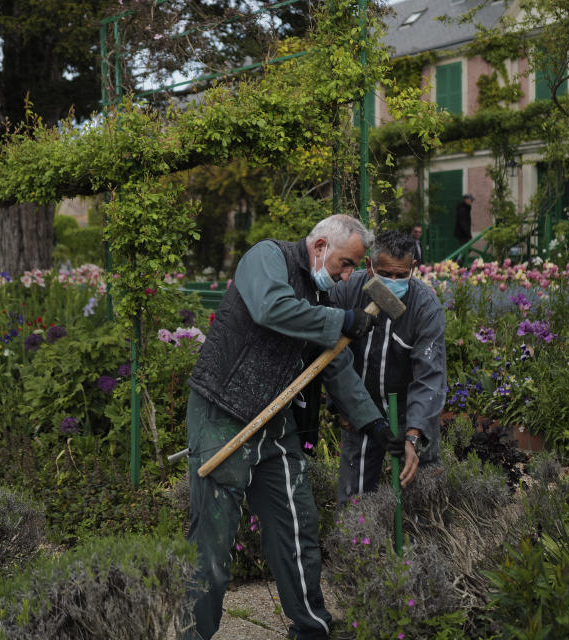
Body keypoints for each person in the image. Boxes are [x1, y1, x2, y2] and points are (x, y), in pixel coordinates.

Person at [184, 214, 408, 640]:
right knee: (212, 541)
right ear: (320, 245)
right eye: (345, 263)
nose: (346, 274)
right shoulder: (267, 257)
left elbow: (336, 365)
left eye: (352, 268)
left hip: (273, 421)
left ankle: (312, 627)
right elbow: (270, 307)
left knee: (296, 524)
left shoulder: (321, 300)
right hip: (221, 413)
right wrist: (340, 321)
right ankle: (194, 634)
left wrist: (375, 425)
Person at [329, 229, 447, 503]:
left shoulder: (425, 307)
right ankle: (358, 544)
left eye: (400, 275)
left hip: (409, 410)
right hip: (362, 409)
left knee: (421, 493)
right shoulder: (347, 292)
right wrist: (342, 405)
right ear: (369, 266)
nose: (393, 282)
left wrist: (413, 435)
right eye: (386, 274)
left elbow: (429, 376)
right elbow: (333, 357)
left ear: (413, 269)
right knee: (354, 502)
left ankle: (420, 543)